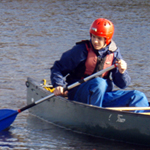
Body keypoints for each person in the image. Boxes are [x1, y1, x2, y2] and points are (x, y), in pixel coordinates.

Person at [50, 18, 149, 112]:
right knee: (99, 83)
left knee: (137, 96)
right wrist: (58, 84)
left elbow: (123, 85)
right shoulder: (81, 50)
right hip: (78, 93)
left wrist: (122, 72)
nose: (95, 41)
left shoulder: (114, 53)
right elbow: (57, 68)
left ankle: (142, 122)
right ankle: (95, 116)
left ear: (107, 39)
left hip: (102, 95)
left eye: (99, 38)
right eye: (93, 36)